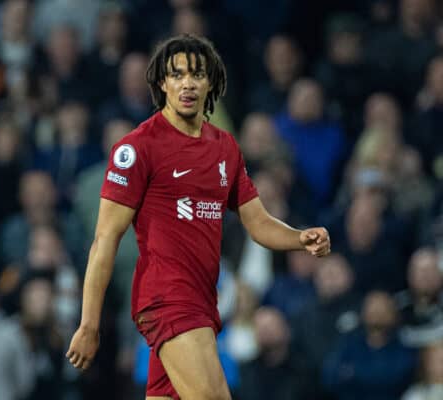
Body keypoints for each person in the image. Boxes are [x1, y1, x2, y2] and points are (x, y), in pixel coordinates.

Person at [66, 34, 331, 400]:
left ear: (211, 82)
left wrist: (299, 238)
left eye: (197, 74)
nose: (187, 83)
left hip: (205, 301)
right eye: (176, 75)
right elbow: (105, 240)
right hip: (167, 298)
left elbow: (259, 223)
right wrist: (89, 324)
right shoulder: (138, 148)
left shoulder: (224, 147)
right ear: (162, 82)